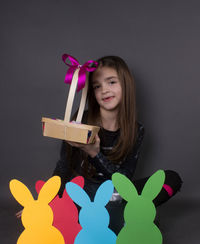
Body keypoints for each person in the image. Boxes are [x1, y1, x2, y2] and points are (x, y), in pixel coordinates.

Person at [53, 55, 182, 234]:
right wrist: (47, 202)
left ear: (125, 85)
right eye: (97, 86)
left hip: (118, 193)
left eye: (111, 82)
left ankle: (124, 214)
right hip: (87, 193)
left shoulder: (136, 130)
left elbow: (125, 181)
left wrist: (95, 154)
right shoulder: (81, 120)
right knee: (78, 195)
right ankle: (117, 218)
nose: (104, 90)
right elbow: (63, 166)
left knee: (171, 178)